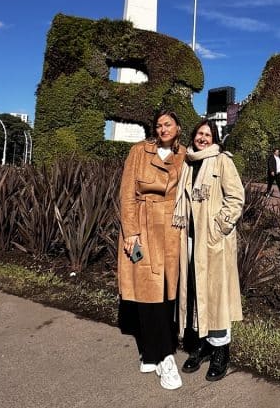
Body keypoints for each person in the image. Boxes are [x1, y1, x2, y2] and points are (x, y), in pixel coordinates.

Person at [117, 110, 186, 390]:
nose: (162, 129)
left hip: (172, 229)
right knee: (148, 291)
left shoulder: (186, 155)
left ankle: (152, 350)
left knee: (168, 290)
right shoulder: (138, 152)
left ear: (178, 127)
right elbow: (127, 194)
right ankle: (161, 355)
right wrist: (131, 231)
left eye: (168, 124)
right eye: (158, 125)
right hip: (144, 226)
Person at [176, 119, 245, 382]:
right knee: (196, 292)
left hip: (213, 240)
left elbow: (236, 197)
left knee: (216, 294)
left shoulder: (221, 161)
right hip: (190, 239)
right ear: (193, 137)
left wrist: (219, 226)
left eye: (207, 134)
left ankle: (221, 350)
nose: (202, 138)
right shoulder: (188, 163)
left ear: (214, 138)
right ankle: (203, 345)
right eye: (199, 134)